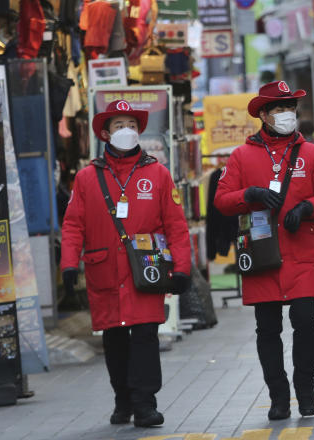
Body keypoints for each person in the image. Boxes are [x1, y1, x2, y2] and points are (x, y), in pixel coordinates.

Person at [214, 81, 314, 421]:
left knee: (305, 320)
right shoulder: (241, 156)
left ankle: (306, 389)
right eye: (279, 109)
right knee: (267, 327)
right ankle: (279, 396)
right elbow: (222, 201)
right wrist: (250, 194)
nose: (287, 115)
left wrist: (308, 208)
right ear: (264, 115)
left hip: (302, 253)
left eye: (290, 109)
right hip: (262, 254)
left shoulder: (312, 153)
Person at [60, 100, 192, 428]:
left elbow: (176, 225)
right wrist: (68, 264)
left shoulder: (157, 173)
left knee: (146, 335)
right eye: (119, 126)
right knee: (115, 340)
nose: (127, 131)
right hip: (104, 270)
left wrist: (182, 268)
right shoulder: (87, 178)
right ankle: (123, 399)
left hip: (146, 270)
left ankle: (145, 404)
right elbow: (73, 224)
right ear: (105, 133)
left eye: (132, 125)